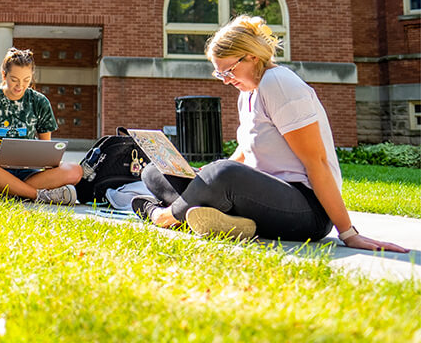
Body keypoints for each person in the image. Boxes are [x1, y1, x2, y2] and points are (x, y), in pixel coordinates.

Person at [132, 15, 407, 252]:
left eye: (229, 71)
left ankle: (163, 215)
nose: (226, 80)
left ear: (252, 56)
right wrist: (202, 174)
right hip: (262, 197)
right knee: (154, 171)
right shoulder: (248, 92)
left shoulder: (279, 83)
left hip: (307, 209)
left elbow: (318, 162)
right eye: (220, 75)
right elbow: (244, 152)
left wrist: (348, 232)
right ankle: (233, 223)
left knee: (222, 174)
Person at [0, 47, 82, 205]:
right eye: (14, 79)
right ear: (4, 75)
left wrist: (48, 162)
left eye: (26, 80)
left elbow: (46, 147)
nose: (20, 85)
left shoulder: (40, 102)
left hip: (30, 172)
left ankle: (5, 192)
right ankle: (39, 195)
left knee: (75, 170)